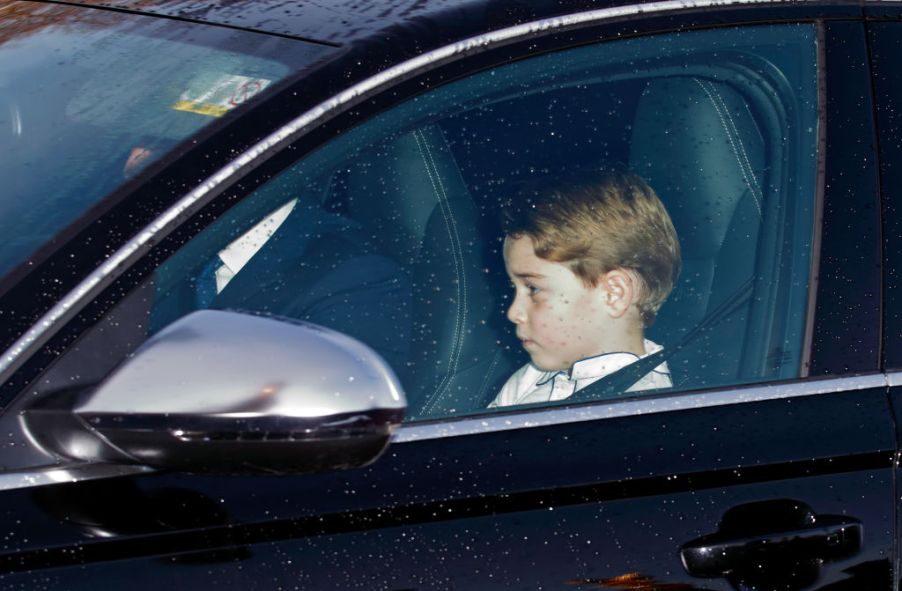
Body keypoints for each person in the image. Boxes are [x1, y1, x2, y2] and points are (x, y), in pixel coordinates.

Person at [489, 170, 681, 407]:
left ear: (613, 294)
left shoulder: (642, 406)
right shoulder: (531, 378)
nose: (514, 312)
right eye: (514, 289)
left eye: (533, 289)